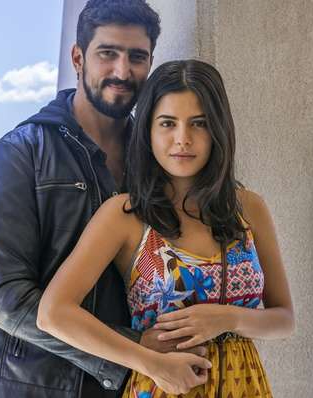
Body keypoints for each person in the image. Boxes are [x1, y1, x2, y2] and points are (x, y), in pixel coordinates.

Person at [37, 60, 295, 397]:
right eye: (167, 123)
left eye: (198, 124)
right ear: (148, 131)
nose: (182, 139)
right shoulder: (125, 215)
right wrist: (150, 363)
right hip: (163, 388)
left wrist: (228, 318)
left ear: (218, 129)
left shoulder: (248, 208)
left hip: (246, 386)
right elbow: (53, 313)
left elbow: (284, 319)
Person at [0, 1, 191, 397]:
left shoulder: (158, 160)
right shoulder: (22, 153)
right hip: (38, 387)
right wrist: (129, 350)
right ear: (78, 57)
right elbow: (6, 299)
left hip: (142, 382)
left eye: (136, 57)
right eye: (107, 53)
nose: (122, 72)